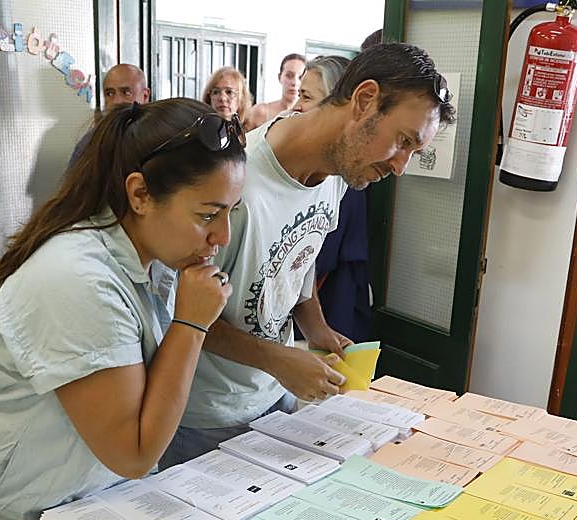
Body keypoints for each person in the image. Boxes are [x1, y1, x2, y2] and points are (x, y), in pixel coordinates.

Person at [0, 98, 244, 520]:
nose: (223, 236)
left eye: (231, 211)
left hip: (68, 490)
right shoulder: (77, 277)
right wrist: (191, 324)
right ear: (140, 194)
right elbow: (132, 450)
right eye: (208, 214)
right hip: (1, 496)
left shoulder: (152, 259)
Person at [162, 42, 456, 467]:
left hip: (274, 398)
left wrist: (314, 327)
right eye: (402, 141)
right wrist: (279, 359)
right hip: (207, 416)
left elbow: (300, 256)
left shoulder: (337, 173)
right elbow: (181, 310)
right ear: (365, 100)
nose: (400, 167)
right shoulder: (236, 184)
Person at [292, 55, 374, 342]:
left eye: (305, 97)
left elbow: (311, 259)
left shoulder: (343, 176)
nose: (296, 108)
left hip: (330, 303)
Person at [67, 64, 151, 170]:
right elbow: (73, 184)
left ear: (145, 96)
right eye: (110, 94)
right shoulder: (91, 142)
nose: (117, 101)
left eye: (126, 92)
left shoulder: (161, 135)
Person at [245, 53, 306, 130]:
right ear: (279, 77)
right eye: (289, 75)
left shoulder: (309, 116)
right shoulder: (260, 112)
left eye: (301, 77)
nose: (295, 82)